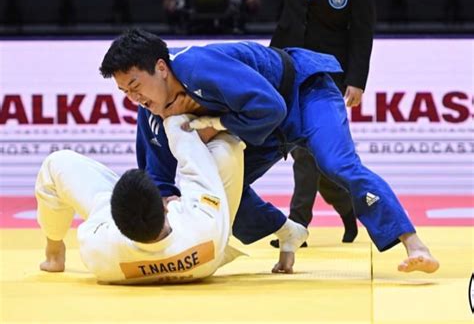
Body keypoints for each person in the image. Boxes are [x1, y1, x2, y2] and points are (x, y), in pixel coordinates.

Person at [99, 29, 440, 274]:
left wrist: (214, 123)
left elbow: (272, 107)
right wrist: (166, 214)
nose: (135, 98)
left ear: (161, 68)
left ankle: (414, 244)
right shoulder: (151, 113)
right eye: (124, 92)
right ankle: (288, 231)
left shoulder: (197, 66)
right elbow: (158, 178)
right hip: (261, 126)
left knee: (336, 163)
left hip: (304, 93)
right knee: (222, 192)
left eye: (135, 86)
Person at [163, 0, 366, 248]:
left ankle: (297, 225)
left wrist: (357, 80)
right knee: (305, 154)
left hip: (323, 75)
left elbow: (362, 29)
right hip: (284, 70)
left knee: (308, 155)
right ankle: (344, 211)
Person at [36, 114, 247, 284]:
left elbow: (102, 214)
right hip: (209, 256)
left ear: (114, 220)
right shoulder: (204, 222)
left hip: (126, 258)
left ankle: (54, 254)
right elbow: (193, 158)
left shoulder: (98, 250)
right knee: (227, 148)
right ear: (166, 207)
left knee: (56, 162)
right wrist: (173, 117)